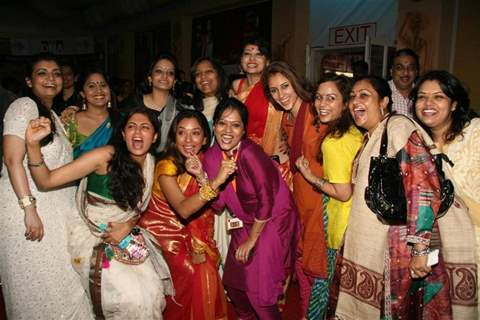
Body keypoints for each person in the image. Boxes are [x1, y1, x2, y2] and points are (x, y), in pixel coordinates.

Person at [329, 75, 478, 319]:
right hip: (378, 243)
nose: (356, 101)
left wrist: (420, 249)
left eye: (364, 95)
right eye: (352, 97)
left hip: (397, 246)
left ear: (384, 101)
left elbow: (423, 185)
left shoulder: (398, 127)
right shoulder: (373, 135)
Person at [25, 108, 173, 319]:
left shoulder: (151, 163)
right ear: (123, 134)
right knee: (129, 296)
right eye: (131, 126)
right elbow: (45, 180)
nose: (137, 132)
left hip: (125, 235)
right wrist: (32, 145)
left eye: (145, 127)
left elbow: (136, 210)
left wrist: (128, 226)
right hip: (93, 235)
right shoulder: (104, 156)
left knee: (152, 290)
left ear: (155, 136)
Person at [0, 53, 93, 319]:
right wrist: (28, 208)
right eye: (42, 73)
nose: (51, 78)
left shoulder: (50, 114)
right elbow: (12, 158)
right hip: (31, 209)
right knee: (42, 289)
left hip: (54, 214)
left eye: (56, 73)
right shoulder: (23, 105)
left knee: (61, 286)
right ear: (29, 80)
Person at [202, 98, 299, 319]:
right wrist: (206, 178)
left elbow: (267, 201)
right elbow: (217, 205)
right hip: (244, 221)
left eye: (235, 125)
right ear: (214, 125)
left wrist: (252, 240)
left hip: (271, 220)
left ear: (244, 130)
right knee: (234, 285)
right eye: (222, 123)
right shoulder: (211, 157)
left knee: (259, 291)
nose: (227, 131)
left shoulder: (249, 154)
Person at [139, 110, 229, 319]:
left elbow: (215, 206)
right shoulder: (167, 166)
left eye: (195, 133)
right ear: (174, 136)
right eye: (181, 133)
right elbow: (184, 209)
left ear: (205, 138)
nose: (188, 140)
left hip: (191, 234)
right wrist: (215, 182)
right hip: (164, 236)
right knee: (189, 272)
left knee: (204, 268)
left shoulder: (206, 160)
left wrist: (202, 176)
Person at [294, 75, 363, 319]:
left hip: (338, 224)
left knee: (324, 295)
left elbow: (343, 193)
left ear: (345, 104)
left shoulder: (334, 141)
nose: (322, 103)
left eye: (331, 98)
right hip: (356, 223)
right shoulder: (355, 131)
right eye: (319, 97)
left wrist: (310, 176)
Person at [263, 61, 328, 317]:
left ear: (295, 82)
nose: (282, 95)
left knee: (317, 267)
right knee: (303, 264)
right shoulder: (287, 118)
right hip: (300, 198)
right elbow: (293, 155)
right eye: (275, 90)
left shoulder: (315, 111)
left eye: (285, 86)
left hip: (319, 198)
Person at [412, 70, 480, 311]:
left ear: (454, 104)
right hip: (434, 248)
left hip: (474, 244)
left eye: (438, 97)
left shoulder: (474, 134)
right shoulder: (416, 144)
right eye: (421, 97)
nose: (428, 104)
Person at [191, 56, 231, 271]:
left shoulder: (232, 104)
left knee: (226, 236)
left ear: (219, 75)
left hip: (226, 179)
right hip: (198, 180)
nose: (203, 78)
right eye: (198, 74)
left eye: (209, 72)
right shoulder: (189, 108)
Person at [230, 38, 287, 171]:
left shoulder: (274, 86)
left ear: (267, 62)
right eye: (247, 54)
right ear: (240, 60)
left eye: (258, 54)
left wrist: (290, 138)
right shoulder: (236, 86)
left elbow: (291, 113)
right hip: (243, 155)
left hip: (274, 154)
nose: (252, 59)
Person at [121, 52, 191, 153]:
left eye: (170, 73)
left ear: (174, 81)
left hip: (169, 165)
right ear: (150, 78)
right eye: (159, 71)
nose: (165, 76)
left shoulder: (181, 108)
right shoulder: (132, 104)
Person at [63, 68, 120, 158]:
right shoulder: (70, 121)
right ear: (83, 94)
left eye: (103, 85)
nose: (99, 90)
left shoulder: (122, 120)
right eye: (91, 86)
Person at [388, 48, 419, 117]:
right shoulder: (380, 92)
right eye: (399, 68)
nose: (405, 72)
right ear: (391, 71)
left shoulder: (421, 94)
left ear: (416, 72)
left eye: (411, 68)